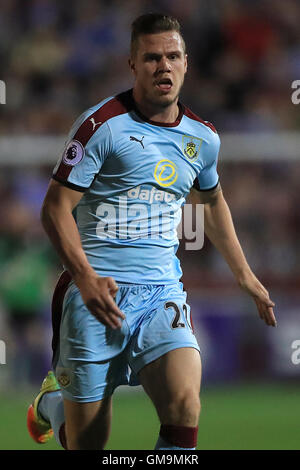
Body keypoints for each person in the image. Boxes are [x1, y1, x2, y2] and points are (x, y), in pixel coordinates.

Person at [27, 13, 276, 451]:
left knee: (184, 406)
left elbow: (213, 203)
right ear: (133, 65)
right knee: (87, 444)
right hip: (95, 294)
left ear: (186, 63)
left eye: (173, 56)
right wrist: (84, 279)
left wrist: (244, 274)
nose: (164, 66)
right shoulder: (100, 126)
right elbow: (54, 209)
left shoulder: (203, 138)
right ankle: (52, 405)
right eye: (152, 57)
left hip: (161, 292)